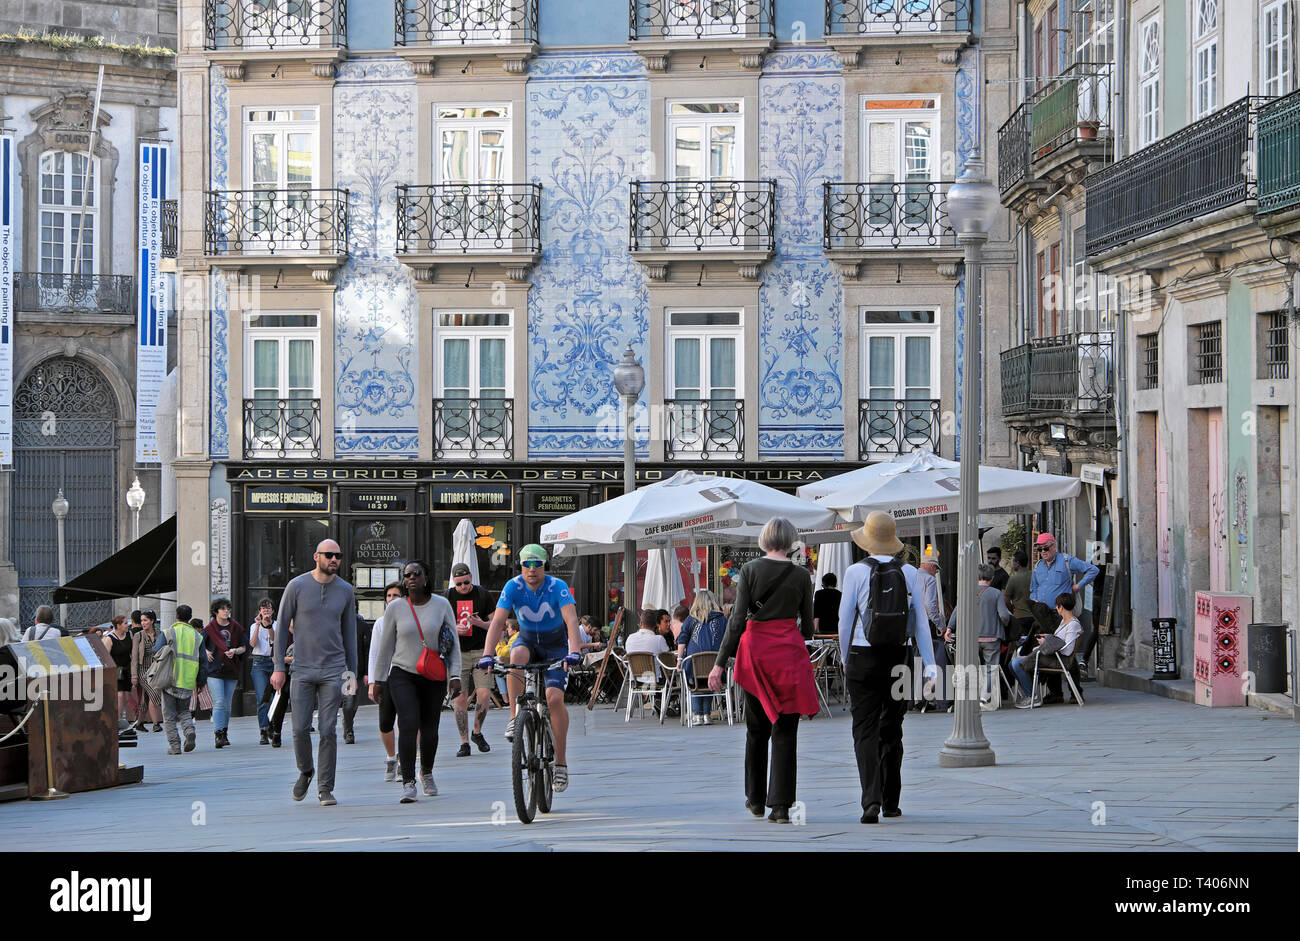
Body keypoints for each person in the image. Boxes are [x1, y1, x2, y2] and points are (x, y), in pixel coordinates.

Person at [709, 518, 819, 824]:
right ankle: (781, 806)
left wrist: (719, 663)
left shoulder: (749, 570)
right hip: (788, 654)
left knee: (756, 730)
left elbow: (737, 621)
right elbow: (808, 626)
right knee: (786, 729)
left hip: (755, 654)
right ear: (790, 540)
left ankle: (755, 799)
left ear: (764, 538)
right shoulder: (802, 575)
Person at [838, 511, 938, 825]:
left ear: (867, 541)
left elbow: (844, 621)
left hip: (862, 656)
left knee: (864, 730)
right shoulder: (910, 573)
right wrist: (931, 666)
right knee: (893, 729)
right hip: (900, 657)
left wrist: (844, 657)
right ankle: (892, 801)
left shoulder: (854, 572)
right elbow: (920, 622)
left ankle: (871, 801)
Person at [477, 544, 583, 794]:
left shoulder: (557, 587)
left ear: (545, 566)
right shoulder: (513, 586)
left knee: (554, 697)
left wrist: (575, 651)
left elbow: (571, 619)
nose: (532, 570)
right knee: (516, 655)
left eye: (537, 565)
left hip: (555, 645)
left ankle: (561, 763)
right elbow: (498, 622)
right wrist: (487, 655)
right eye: (527, 565)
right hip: (527, 641)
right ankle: (515, 717)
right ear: (520, 567)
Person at [272, 538, 358, 807]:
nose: (334, 559)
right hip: (302, 668)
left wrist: (352, 674)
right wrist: (278, 667)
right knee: (298, 728)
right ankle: (306, 771)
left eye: (338, 556)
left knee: (328, 730)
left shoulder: (345, 590)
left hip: (334, 669)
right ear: (316, 557)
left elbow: (350, 636)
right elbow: (281, 625)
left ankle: (325, 787)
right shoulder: (296, 586)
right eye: (329, 555)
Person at [373, 560, 461, 804]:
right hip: (402, 673)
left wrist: (455, 675)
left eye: (416, 574)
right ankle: (408, 781)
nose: (410, 578)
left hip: (433, 674)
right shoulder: (396, 608)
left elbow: (452, 643)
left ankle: (427, 772)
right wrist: (379, 680)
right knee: (408, 723)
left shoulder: (442, 605)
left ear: (426, 578)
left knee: (430, 729)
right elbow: (386, 646)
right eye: (407, 575)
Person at [445, 561, 495, 758]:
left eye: (465, 582)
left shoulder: (482, 594)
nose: (463, 587)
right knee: (460, 699)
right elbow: (439, 624)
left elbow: (495, 623)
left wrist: (480, 623)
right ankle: (464, 741)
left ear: (471, 578)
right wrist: (454, 629)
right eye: (458, 584)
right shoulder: (448, 597)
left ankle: (477, 732)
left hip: (481, 650)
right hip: (457, 653)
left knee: (484, 694)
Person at [945, 564, 1012, 704]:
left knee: (970, 666)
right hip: (992, 637)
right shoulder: (996, 593)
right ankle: (984, 696)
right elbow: (1004, 616)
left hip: (971, 637)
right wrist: (1003, 624)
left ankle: (967, 695)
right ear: (992, 578)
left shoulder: (967, 592)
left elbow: (956, 612)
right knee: (991, 668)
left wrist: (949, 628)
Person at [151, 604, 207, 755]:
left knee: (169, 715)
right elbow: (203, 661)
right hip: (188, 680)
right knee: (184, 711)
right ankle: (189, 730)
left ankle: (175, 746)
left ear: (176, 615)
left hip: (170, 678)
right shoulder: (197, 636)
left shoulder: (168, 632)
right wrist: (201, 681)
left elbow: (156, 651)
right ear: (190, 617)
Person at [1012, 592, 1084, 707]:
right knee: (1014, 663)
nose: (1056, 609)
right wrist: (1047, 638)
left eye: (1057, 606)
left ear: (1061, 607)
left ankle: (1031, 696)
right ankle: (1029, 694)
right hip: (1053, 656)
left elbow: (1067, 650)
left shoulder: (1073, 624)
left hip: (1059, 659)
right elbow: (1059, 641)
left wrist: (1047, 641)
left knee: (1016, 664)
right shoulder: (1063, 622)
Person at [367, 581, 404, 779]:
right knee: (385, 722)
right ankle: (391, 757)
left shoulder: (410, 619)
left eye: (395, 595)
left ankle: (403, 761)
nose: (391, 599)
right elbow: (374, 653)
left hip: (407, 675)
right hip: (386, 677)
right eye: (388, 596)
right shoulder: (381, 623)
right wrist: (373, 682)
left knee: (407, 720)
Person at [677, 589, 727, 725]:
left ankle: (698, 715)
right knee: (709, 681)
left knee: (694, 682)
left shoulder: (690, 619)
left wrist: (679, 660)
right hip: (716, 664)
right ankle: (706, 715)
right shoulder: (722, 619)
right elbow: (727, 640)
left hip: (693, 664)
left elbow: (682, 640)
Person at [1029, 533, 1098, 630]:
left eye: (1046, 548)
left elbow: (1093, 570)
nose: (1043, 552)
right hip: (1042, 615)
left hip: (1061, 614)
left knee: (1061, 642)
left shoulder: (1066, 561)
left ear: (1054, 546)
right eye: (1040, 549)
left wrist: (1079, 585)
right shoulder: (1038, 566)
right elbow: (1034, 588)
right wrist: (1036, 601)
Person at [203, 598, 247, 749]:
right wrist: (206, 651)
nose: (226, 611)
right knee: (219, 702)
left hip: (231, 669)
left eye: (228, 608)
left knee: (227, 704)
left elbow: (244, 647)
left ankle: (224, 732)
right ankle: (218, 733)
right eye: (223, 608)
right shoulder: (209, 629)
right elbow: (199, 645)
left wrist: (235, 651)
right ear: (216, 611)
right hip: (214, 670)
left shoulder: (236, 628)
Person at [915, 551, 950, 713]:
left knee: (916, 661)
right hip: (926, 626)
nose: (936, 571)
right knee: (936, 661)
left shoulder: (910, 577)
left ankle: (917, 699)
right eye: (935, 568)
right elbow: (930, 606)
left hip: (911, 626)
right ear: (929, 566)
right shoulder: (929, 580)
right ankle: (940, 699)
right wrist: (940, 625)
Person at [248, 598, 276, 744]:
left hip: (273, 663)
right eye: (263, 608)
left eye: (268, 608)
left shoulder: (276, 625)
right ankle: (264, 730)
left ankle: (273, 726)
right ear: (259, 611)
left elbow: (274, 640)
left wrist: (269, 625)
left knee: (274, 699)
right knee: (262, 698)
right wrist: (259, 625)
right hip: (259, 663)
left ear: (272, 611)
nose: (266, 611)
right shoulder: (254, 626)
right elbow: (252, 644)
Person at [130, 610, 163, 732]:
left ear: (152, 621)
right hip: (143, 670)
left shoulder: (160, 634)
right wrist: (134, 675)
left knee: (146, 697)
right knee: (154, 692)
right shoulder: (138, 636)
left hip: (156, 670)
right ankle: (156, 724)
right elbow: (134, 657)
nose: (143, 623)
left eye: (145, 620)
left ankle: (139, 723)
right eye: (142, 620)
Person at [103, 615, 134, 726]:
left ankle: (120, 714)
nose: (127, 625)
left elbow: (132, 653)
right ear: (118, 625)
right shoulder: (110, 639)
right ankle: (118, 719)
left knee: (127, 696)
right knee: (120, 695)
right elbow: (105, 656)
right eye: (125, 623)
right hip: (116, 671)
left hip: (127, 669)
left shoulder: (129, 635)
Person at [626, 607, 670, 683]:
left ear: (641, 623)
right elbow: (668, 659)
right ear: (655, 625)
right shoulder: (659, 639)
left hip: (635, 680)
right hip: (655, 680)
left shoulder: (630, 638)